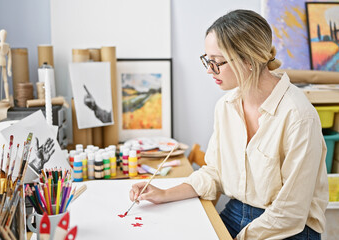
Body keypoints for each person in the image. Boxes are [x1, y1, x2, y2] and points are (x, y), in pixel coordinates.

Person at [129, 9, 328, 240]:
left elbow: (291, 212)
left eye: (216, 62)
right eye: (207, 60)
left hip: (290, 227)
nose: (208, 70)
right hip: (237, 212)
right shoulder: (226, 106)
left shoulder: (299, 116)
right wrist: (164, 194)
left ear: (249, 60)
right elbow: (214, 173)